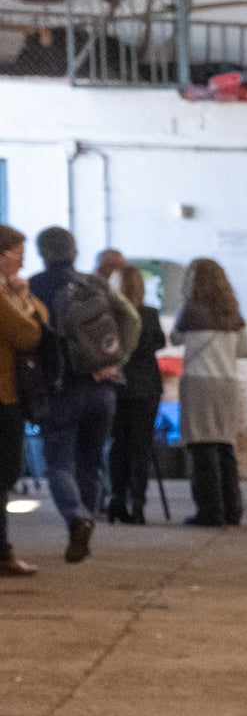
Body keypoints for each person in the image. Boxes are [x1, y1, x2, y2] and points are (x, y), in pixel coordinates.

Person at [27, 226, 128, 560]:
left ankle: (77, 517)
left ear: (43, 252)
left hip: (61, 387)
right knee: (92, 459)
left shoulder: (36, 286)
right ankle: (87, 520)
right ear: (75, 250)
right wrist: (117, 359)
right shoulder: (94, 283)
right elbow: (131, 318)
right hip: (103, 387)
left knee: (58, 462)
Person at [173, 257, 247, 529]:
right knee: (224, 445)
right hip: (227, 383)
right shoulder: (233, 313)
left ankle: (210, 511)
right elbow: (245, 350)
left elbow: (175, 339)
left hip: (199, 383)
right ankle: (232, 509)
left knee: (202, 447)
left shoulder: (190, 310)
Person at [103, 261, 163, 527]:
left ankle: (115, 499)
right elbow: (159, 342)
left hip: (116, 386)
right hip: (146, 387)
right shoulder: (149, 314)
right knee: (140, 447)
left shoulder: (106, 315)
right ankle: (137, 504)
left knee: (117, 444)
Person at [0, 226, 44, 577]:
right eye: (18, 255)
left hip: (7, 392)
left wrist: (23, 295)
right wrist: (22, 299)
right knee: (4, 473)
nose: (23, 262)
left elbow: (41, 317)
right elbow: (29, 332)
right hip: (3, 394)